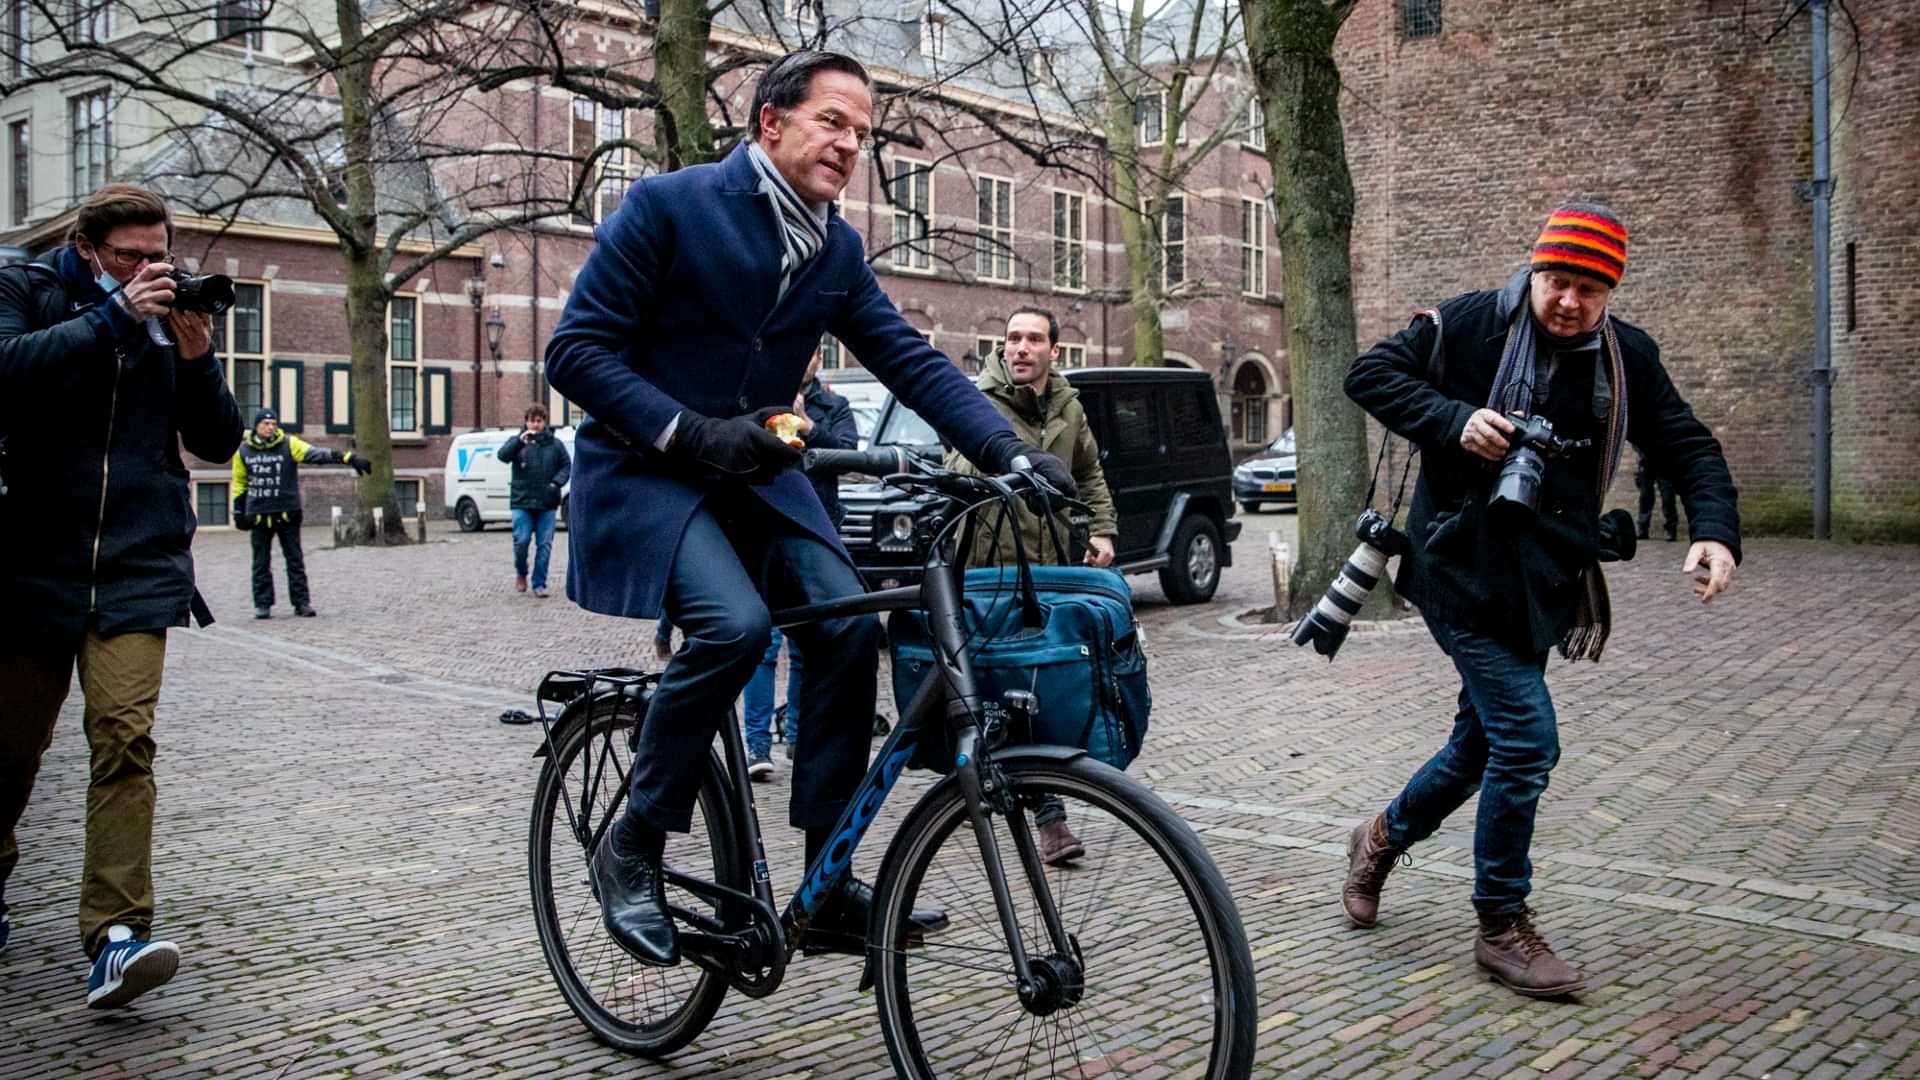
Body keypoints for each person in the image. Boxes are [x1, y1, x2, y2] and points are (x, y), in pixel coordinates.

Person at [545, 49, 1074, 968]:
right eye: (834, 121)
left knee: (847, 630)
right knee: (735, 627)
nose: (850, 143)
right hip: (648, 473)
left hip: (757, 479)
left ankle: (825, 884)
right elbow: (577, 354)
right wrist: (690, 432)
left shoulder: (833, 248)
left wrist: (1011, 451)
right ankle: (633, 841)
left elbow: (909, 358)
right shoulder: (670, 206)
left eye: (863, 133)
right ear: (769, 123)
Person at [1341, 202, 1741, 998]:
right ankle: (1500, 924)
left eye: (1590, 289)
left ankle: (1379, 837)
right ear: (1534, 270)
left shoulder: (1626, 357)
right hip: (1456, 571)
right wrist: (1455, 419)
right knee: (1526, 739)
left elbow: (1688, 444)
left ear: (1611, 292)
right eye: (1558, 281)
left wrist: (1716, 531)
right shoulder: (1468, 325)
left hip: (1544, 585)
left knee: (1480, 746)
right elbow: (1370, 374)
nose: (1569, 301)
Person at [0, 183, 242, 1006]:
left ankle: (116, 934)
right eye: (130, 257)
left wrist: (197, 354)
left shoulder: (164, 318)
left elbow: (216, 440)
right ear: (89, 248)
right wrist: (113, 318)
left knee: (124, 739)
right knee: (11, 749)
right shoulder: (28, 289)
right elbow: (8, 372)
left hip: (137, 562)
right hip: (30, 559)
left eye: (158, 255)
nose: (148, 270)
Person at [945, 306, 1119, 865]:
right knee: (1002, 685)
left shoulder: (1068, 406)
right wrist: (1004, 461)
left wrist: (1102, 530)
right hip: (989, 569)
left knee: (1042, 681)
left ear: (1053, 351)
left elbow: (1089, 471)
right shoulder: (978, 403)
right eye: (1013, 338)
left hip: (1049, 565)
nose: (1021, 348)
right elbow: (957, 469)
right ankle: (1034, 808)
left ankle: (1041, 806)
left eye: (1033, 339)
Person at [741, 352, 857, 781]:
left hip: (817, 530)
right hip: (765, 530)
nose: (802, 358)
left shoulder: (834, 406)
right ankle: (756, 744)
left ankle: (798, 736)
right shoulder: (756, 398)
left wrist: (808, 427)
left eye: (809, 352)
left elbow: (848, 453)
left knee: (809, 645)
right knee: (764, 645)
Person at [232, 408, 371, 618]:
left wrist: (348, 458)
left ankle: (301, 602)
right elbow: (240, 483)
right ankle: (263, 604)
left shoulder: (289, 444)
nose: (270, 427)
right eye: (265, 424)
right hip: (259, 515)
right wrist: (238, 510)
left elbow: (315, 454)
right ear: (257, 426)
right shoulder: (243, 451)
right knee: (260, 563)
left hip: (287, 513)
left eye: (273, 424)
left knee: (295, 560)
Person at [498, 403, 572, 597]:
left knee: (544, 545)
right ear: (526, 422)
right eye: (532, 420)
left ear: (544, 422)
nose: (535, 425)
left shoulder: (556, 445)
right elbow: (502, 456)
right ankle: (521, 573)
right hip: (521, 501)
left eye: (539, 421)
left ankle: (539, 583)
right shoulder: (517, 442)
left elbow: (566, 466)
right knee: (521, 541)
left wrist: (556, 483)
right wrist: (518, 442)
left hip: (547, 503)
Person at [1635, 449, 1677, 541]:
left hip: (1665, 463)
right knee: (1645, 497)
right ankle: (1643, 529)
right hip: (1646, 462)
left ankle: (1671, 530)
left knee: (1668, 498)